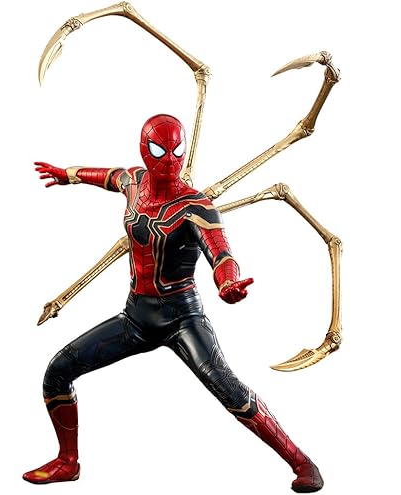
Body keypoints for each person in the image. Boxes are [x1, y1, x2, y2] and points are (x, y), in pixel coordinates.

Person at [23, 114, 323, 492]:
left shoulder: (196, 206)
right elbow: (106, 176)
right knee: (57, 371)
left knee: (228, 387)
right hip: (136, 318)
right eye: (158, 150)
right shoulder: (133, 182)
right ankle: (68, 461)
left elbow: (221, 252)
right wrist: (68, 174)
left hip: (183, 318)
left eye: (176, 151)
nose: (168, 160)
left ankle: (302, 462)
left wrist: (227, 281)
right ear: (143, 150)